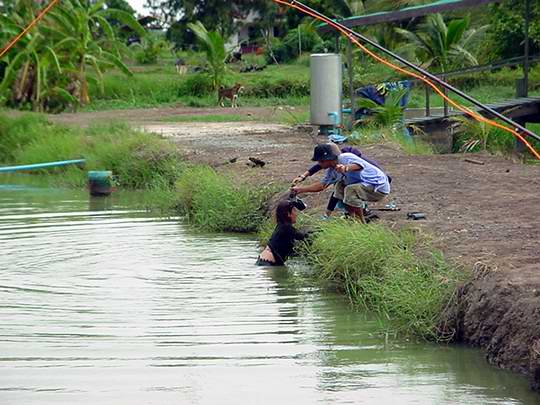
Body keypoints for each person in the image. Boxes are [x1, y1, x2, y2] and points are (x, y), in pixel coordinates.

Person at [291, 144, 391, 223]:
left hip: (378, 188)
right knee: (339, 186)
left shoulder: (346, 157)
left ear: (328, 159)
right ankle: (353, 217)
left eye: (321, 162)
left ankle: (361, 222)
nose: (319, 165)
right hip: (364, 187)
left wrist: (346, 168)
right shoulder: (331, 171)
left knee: (350, 189)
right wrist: (300, 189)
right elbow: (321, 186)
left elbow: (359, 166)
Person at [256, 199, 307, 266]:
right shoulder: (286, 228)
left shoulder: (282, 226)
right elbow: (303, 237)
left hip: (266, 261)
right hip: (268, 263)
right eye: (294, 210)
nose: (296, 214)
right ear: (288, 214)